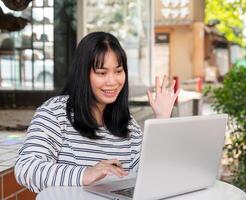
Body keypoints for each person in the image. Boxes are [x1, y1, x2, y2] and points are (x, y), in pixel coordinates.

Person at [14, 32, 179, 193]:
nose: (112, 81)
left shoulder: (128, 125)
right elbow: (26, 169)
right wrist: (86, 174)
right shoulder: (55, 112)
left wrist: (162, 119)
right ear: (83, 74)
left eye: (118, 71)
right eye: (102, 73)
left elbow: (148, 174)